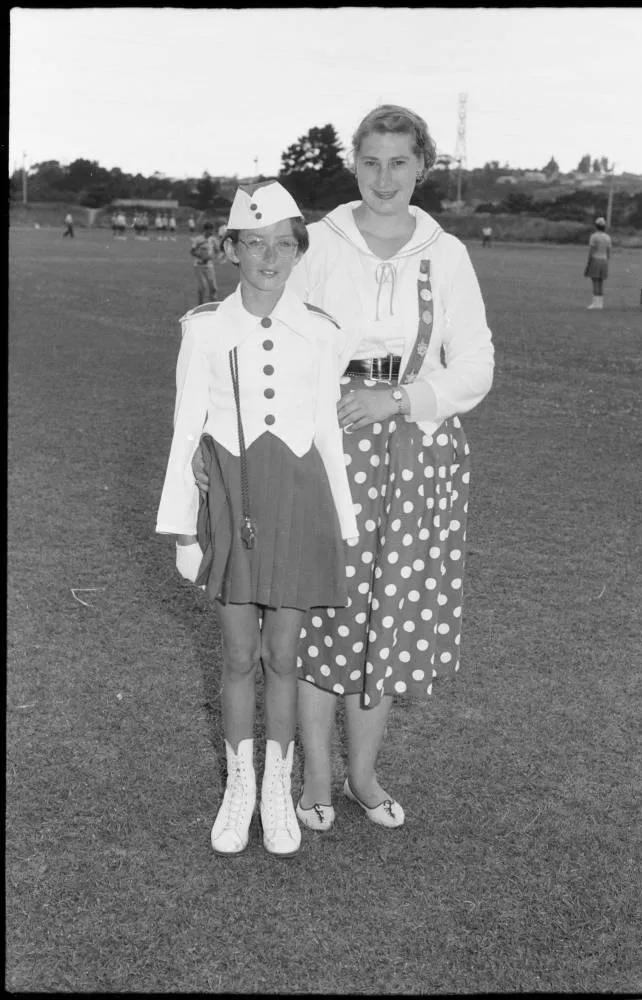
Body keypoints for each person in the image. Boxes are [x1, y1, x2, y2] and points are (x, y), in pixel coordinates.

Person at [194, 104, 494, 833]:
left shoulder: (447, 253)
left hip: (417, 454)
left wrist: (401, 399)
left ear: (423, 167)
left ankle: (362, 775)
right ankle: (315, 779)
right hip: (322, 448)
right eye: (370, 162)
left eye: (399, 162)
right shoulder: (320, 242)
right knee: (323, 616)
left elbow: (476, 365)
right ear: (353, 164)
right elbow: (263, 336)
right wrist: (214, 434)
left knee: (387, 617)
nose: (384, 178)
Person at [156, 181, 358, 858]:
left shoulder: (322, 331)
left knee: (283, 656)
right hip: (232, 502)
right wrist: (183, 528)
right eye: (254, 244)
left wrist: (344, 525)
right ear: (232, 250)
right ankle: (238, 786)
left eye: (283, 244)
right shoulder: (204, 328)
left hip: (300, 502)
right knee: (239, 654)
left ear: (299, 251)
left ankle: (277, 785)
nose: (269, 257)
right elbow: (186, 430)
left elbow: (327, 431)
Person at [584, 216, 612, 309]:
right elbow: (608, 252)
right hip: (604, 260)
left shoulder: (594, 236)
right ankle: (600, 303)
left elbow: (591, 251)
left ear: (596, 226)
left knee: (595, 282)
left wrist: (588, 262)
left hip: (595, 260)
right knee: (600, 282)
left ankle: (595, 303)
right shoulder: (607, 237)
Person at [190, 221, 220, 304]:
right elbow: (192, 251)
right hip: (198, 266)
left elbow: (217, 251)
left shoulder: (213, 239)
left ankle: (213, 305)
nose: (212, 232)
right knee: (203, 286)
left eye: (213, 230)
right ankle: (200, 305)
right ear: (206, 230)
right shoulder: (198, 239)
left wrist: (211, 257)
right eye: (211, 230)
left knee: (213, 287)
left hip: (209, 266)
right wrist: (201, 257)